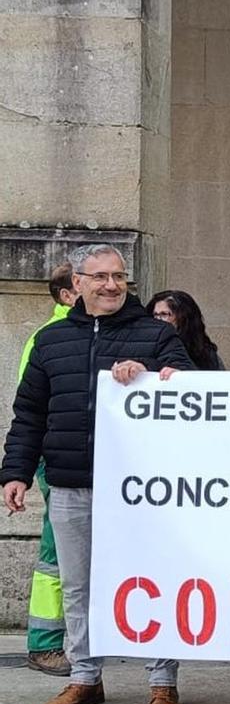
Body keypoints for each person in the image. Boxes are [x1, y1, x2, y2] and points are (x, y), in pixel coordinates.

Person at [1, 244, 193, 704]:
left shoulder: (154, 335)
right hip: (70, 484)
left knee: (153, 581)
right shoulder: (49, 342)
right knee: (78, 587)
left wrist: (151, 376)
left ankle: (161, 683)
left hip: (141, 490)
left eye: (119, 277)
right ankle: (84, 676)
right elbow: (29, 414)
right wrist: (16, 472)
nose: (111, 285)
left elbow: (189, 384)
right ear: (78, 283)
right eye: (101, 277)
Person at [19, 263, 76, 676]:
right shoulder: (50, 337)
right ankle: (44, 644)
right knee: (56, 555)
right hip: (57, 459)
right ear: (67, 293)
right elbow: (32, 409)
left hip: (70, 457)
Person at [146, 290, 225, 370]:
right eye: (155, 315)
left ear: (183, 318)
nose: (158, 320)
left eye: (164, 314)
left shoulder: (206, 354)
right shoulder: (148, 347)